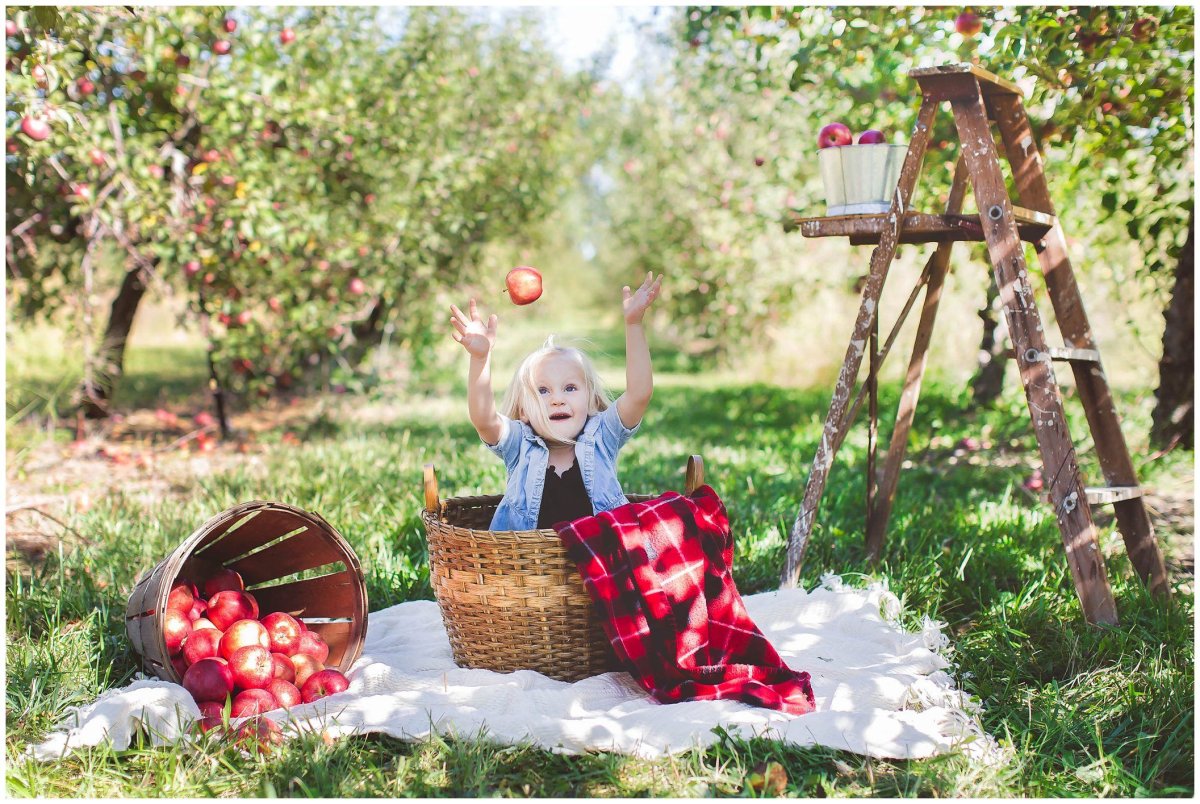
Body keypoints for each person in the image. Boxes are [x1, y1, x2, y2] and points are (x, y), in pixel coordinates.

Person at [449, 272, 664, 531]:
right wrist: (480, 359)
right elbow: (484, 419)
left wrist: (633, 325)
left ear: (592, 402)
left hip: (600, 565)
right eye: (542, 391)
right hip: (529, 568)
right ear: (523, 410)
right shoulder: (519, 443)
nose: (557, 399)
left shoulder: (602, 437)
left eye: (570, 388)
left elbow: (639, 394)